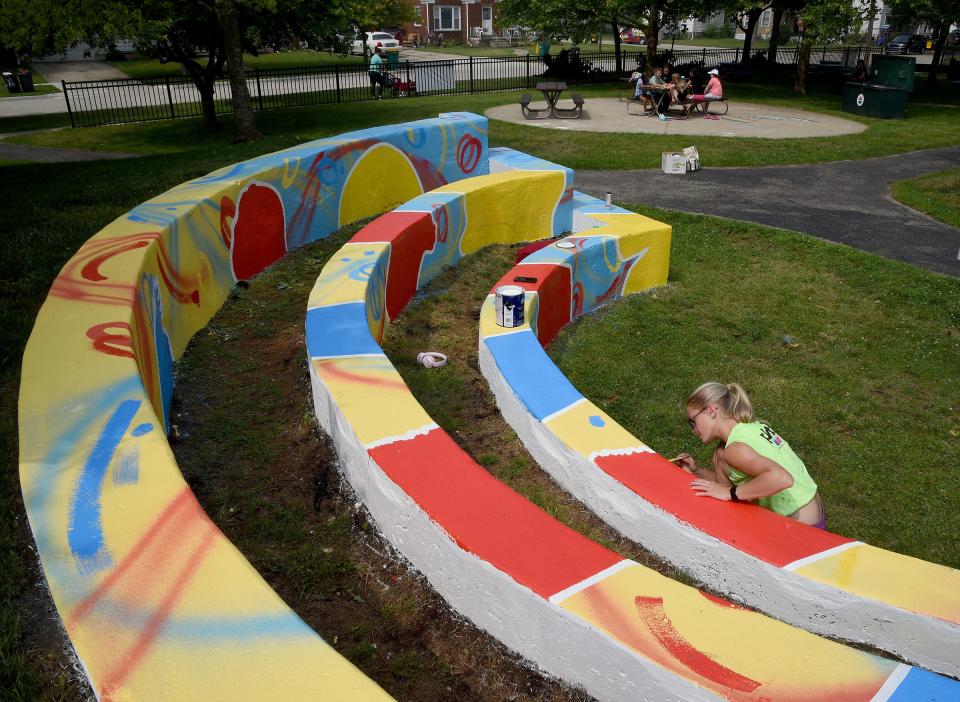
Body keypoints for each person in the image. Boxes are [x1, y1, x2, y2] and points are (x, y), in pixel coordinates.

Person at [672, 382, 825, 528]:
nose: (693, 429)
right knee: (719, 456)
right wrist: (696, 471)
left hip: (800, 528)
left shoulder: (734, 449)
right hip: (812, 511)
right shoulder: (753, 428)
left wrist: (729, 493)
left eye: (692, 421)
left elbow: (781, 478)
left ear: (711, 411)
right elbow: (723, 486)